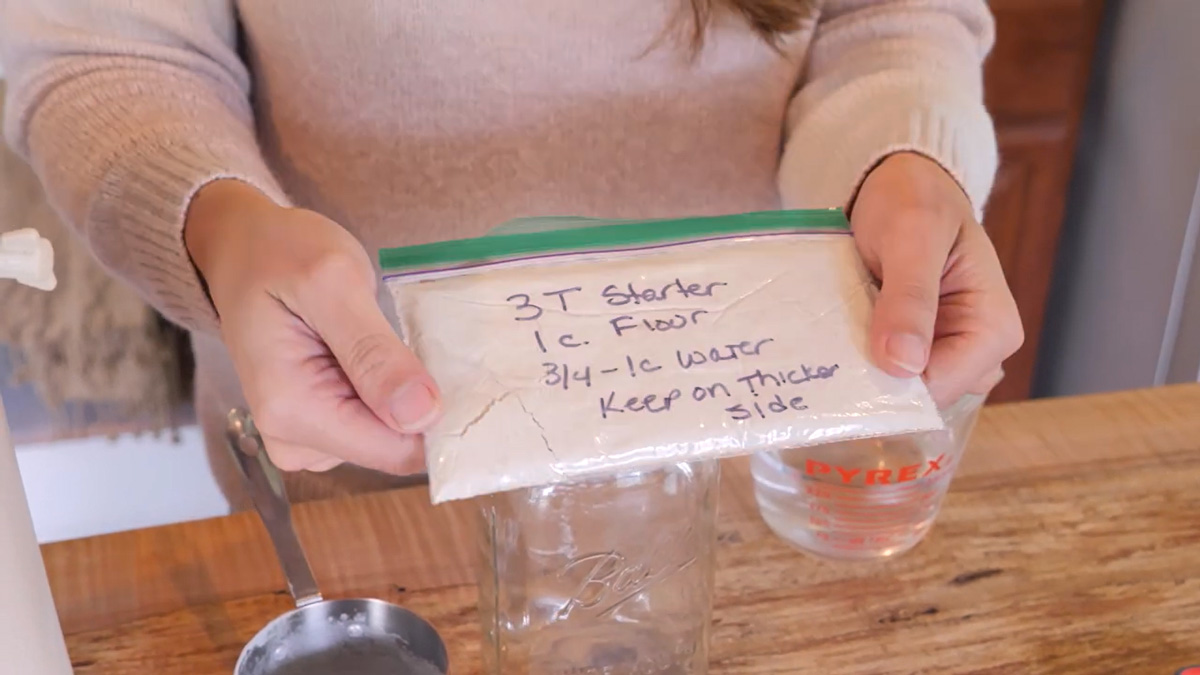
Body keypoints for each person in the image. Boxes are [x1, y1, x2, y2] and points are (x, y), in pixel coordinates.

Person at [0, 0, 1022, 508]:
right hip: (368, 460)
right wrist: (215, 226)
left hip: (756, 455)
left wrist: (900, 152)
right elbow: (102, 43)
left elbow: (890, 15)